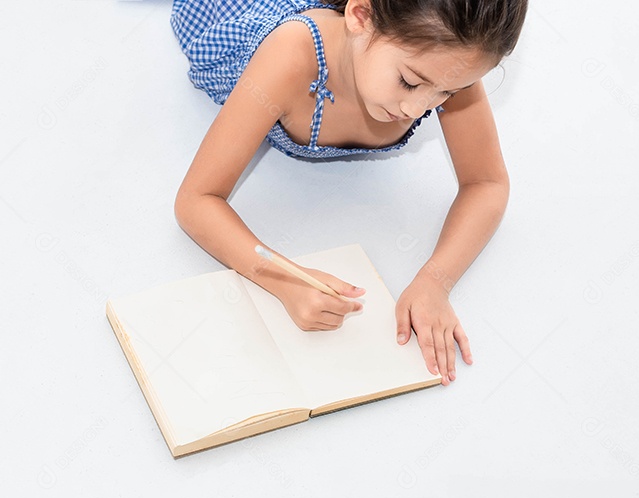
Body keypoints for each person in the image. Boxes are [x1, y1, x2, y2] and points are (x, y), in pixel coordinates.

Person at [170, 0, 527, 385]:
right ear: (360, 16)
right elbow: (196, 200)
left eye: (448, 94)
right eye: (408, 81)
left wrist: (434, 282)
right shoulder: (291, 55)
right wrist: (283, 279)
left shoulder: (448, 60)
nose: (416, 107)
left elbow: (487, 183)